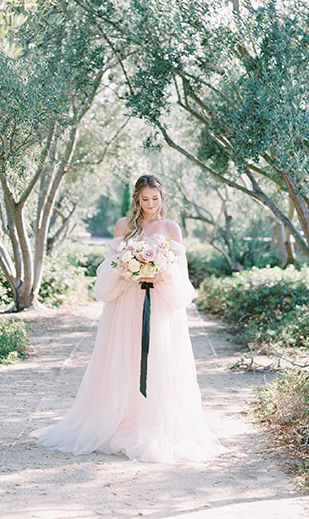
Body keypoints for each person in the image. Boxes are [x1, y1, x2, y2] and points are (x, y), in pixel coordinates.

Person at [32, 174, 226, 463]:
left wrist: (160, 274)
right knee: (124, 357)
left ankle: (153, 424)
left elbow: (180, 273)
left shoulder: (171, 228)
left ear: (162, 198)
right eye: (144, 199)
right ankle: (119, 421)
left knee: (158, 360)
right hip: (126, 302)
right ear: (137, 198)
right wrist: (129, 268)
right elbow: (109, 267)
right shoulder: (124, 226)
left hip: (158, 302)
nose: (150, 204)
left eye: (155, 199)